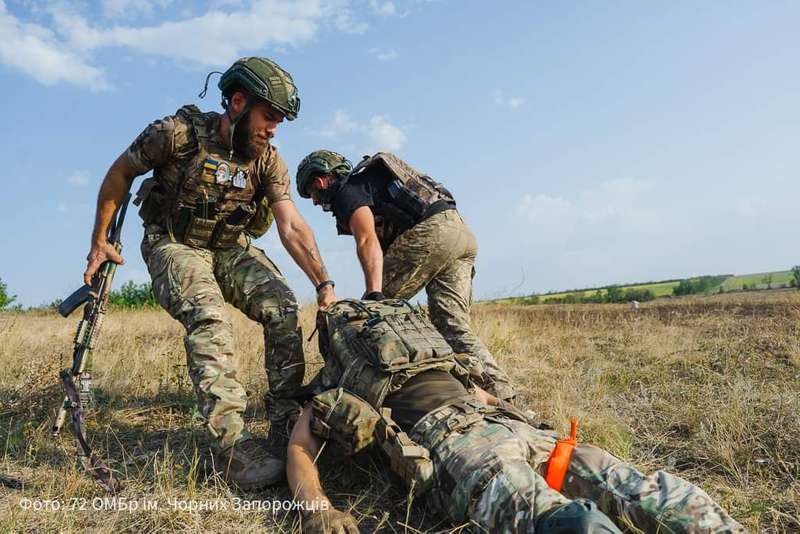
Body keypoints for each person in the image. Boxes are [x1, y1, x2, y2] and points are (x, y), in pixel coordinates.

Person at [82, 57, 338, 489]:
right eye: (268, 117)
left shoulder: (268, 162)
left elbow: (291, 223)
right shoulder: (175, 135)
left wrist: (324, 283)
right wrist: (99, 241)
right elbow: (120, 172)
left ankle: (285, 426)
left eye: (279, 122)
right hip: (174, 243)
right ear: (237, 102)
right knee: (209, 315)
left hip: (229, 249)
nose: (273, 129)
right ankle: (233, 448)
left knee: (283, 309)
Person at [287, 300, 746, 534]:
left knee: (569, 514)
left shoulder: (336, 384)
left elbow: (298, 447)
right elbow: (487, 396)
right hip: (507, 432)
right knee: (623, 491)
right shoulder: (432, 361)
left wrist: (318, 510)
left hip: (474, 444)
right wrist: (318, 510)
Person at [295, 150, 514, 401]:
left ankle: (333, 386)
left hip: (431, 233)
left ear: (321, 181)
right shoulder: (372, 184)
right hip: (460, 231)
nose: (314, 202)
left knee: (364, 319)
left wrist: (376, 294)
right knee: (453, 326)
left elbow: (366, 239)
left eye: (312, 194)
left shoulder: (347, 190)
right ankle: (501, 397)